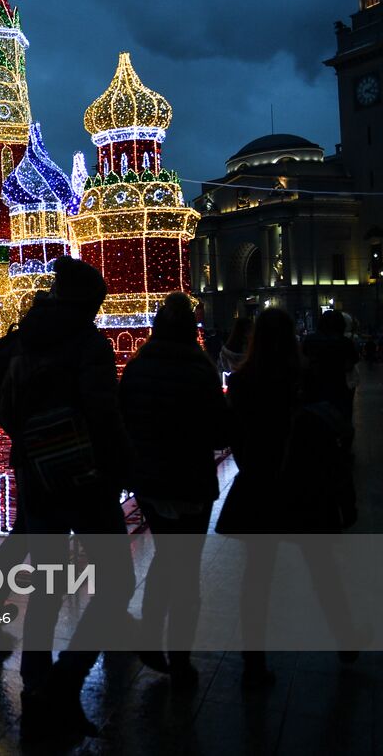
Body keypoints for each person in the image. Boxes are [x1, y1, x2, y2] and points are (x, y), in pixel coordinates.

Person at [0, 256, 137, 743]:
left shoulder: (20, 341)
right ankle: (66, 680)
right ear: (87, 301)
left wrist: (36, 441)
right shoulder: (88, 343)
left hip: (37, 474)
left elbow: (1, 405)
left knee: (48, 589)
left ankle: (35, 686)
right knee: (117, 581)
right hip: (88, 479)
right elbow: (104, 411)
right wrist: (120, 466)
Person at [215, 307, 362, 688]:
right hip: (306, 485)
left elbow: (233, 438)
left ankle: (254, 660)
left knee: (257, 578)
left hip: (261, 485)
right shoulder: (305, 378)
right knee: (323, 569)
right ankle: (345, 639)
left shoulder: (245, 379)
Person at [119, 294, 227, 687]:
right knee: (186, 571)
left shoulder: (137, 368)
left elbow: (124, 420)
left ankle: (151, 638)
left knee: (166, 558)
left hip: (150, 481)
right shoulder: (201, 370)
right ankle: (180, 658)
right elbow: (219, 431)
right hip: (191, 481)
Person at [301, 309, 359, 427]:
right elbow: (350, 365)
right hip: (339, 386)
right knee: (341, 419)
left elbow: (304, 362)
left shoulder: (310, 340)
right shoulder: (345, 343)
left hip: (314, 387)